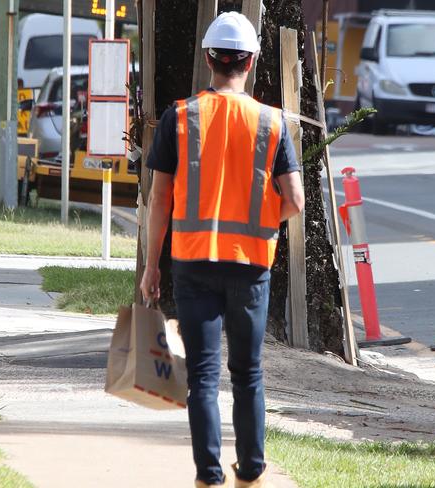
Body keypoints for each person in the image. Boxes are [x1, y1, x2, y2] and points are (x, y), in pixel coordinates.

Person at [140, 11, 305, 488]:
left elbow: (159, 198)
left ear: (208, 58)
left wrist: (153, 265)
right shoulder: (271, 123)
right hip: (250, 266)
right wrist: (260, 222)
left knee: (203, 377)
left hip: (192, 263)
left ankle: (208, 477)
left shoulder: (182, 116)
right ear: (250, 62)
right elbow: (294, 199)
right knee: (248, 374)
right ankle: (251, 473)